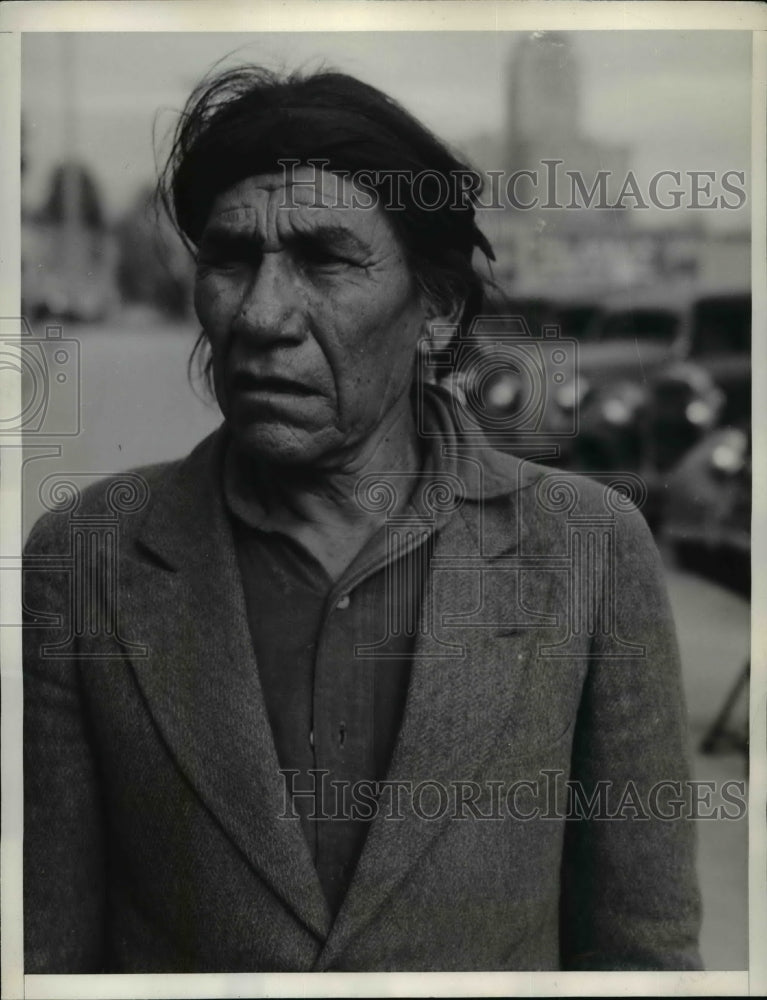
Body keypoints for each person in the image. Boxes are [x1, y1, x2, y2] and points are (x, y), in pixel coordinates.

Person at [23, 66, 702, 973]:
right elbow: (47, 948)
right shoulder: (86, 558)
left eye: (324, 260)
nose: (261, 315)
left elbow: (642, 948)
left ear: (436, 310)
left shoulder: (589, 549)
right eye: (230, 259)